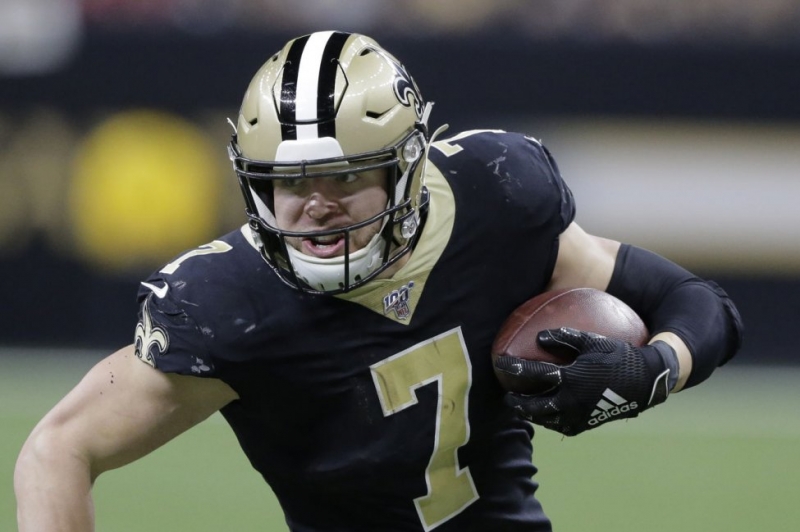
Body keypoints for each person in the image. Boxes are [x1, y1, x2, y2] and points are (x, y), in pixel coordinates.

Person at [15, 31, 743, 531]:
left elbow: (696, 303)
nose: (314, 205)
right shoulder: (229, 303)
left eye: (344, 176)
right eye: (287, 182)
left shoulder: (495, 197)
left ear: (408, 168)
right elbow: (59, 449)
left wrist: (654, 366)